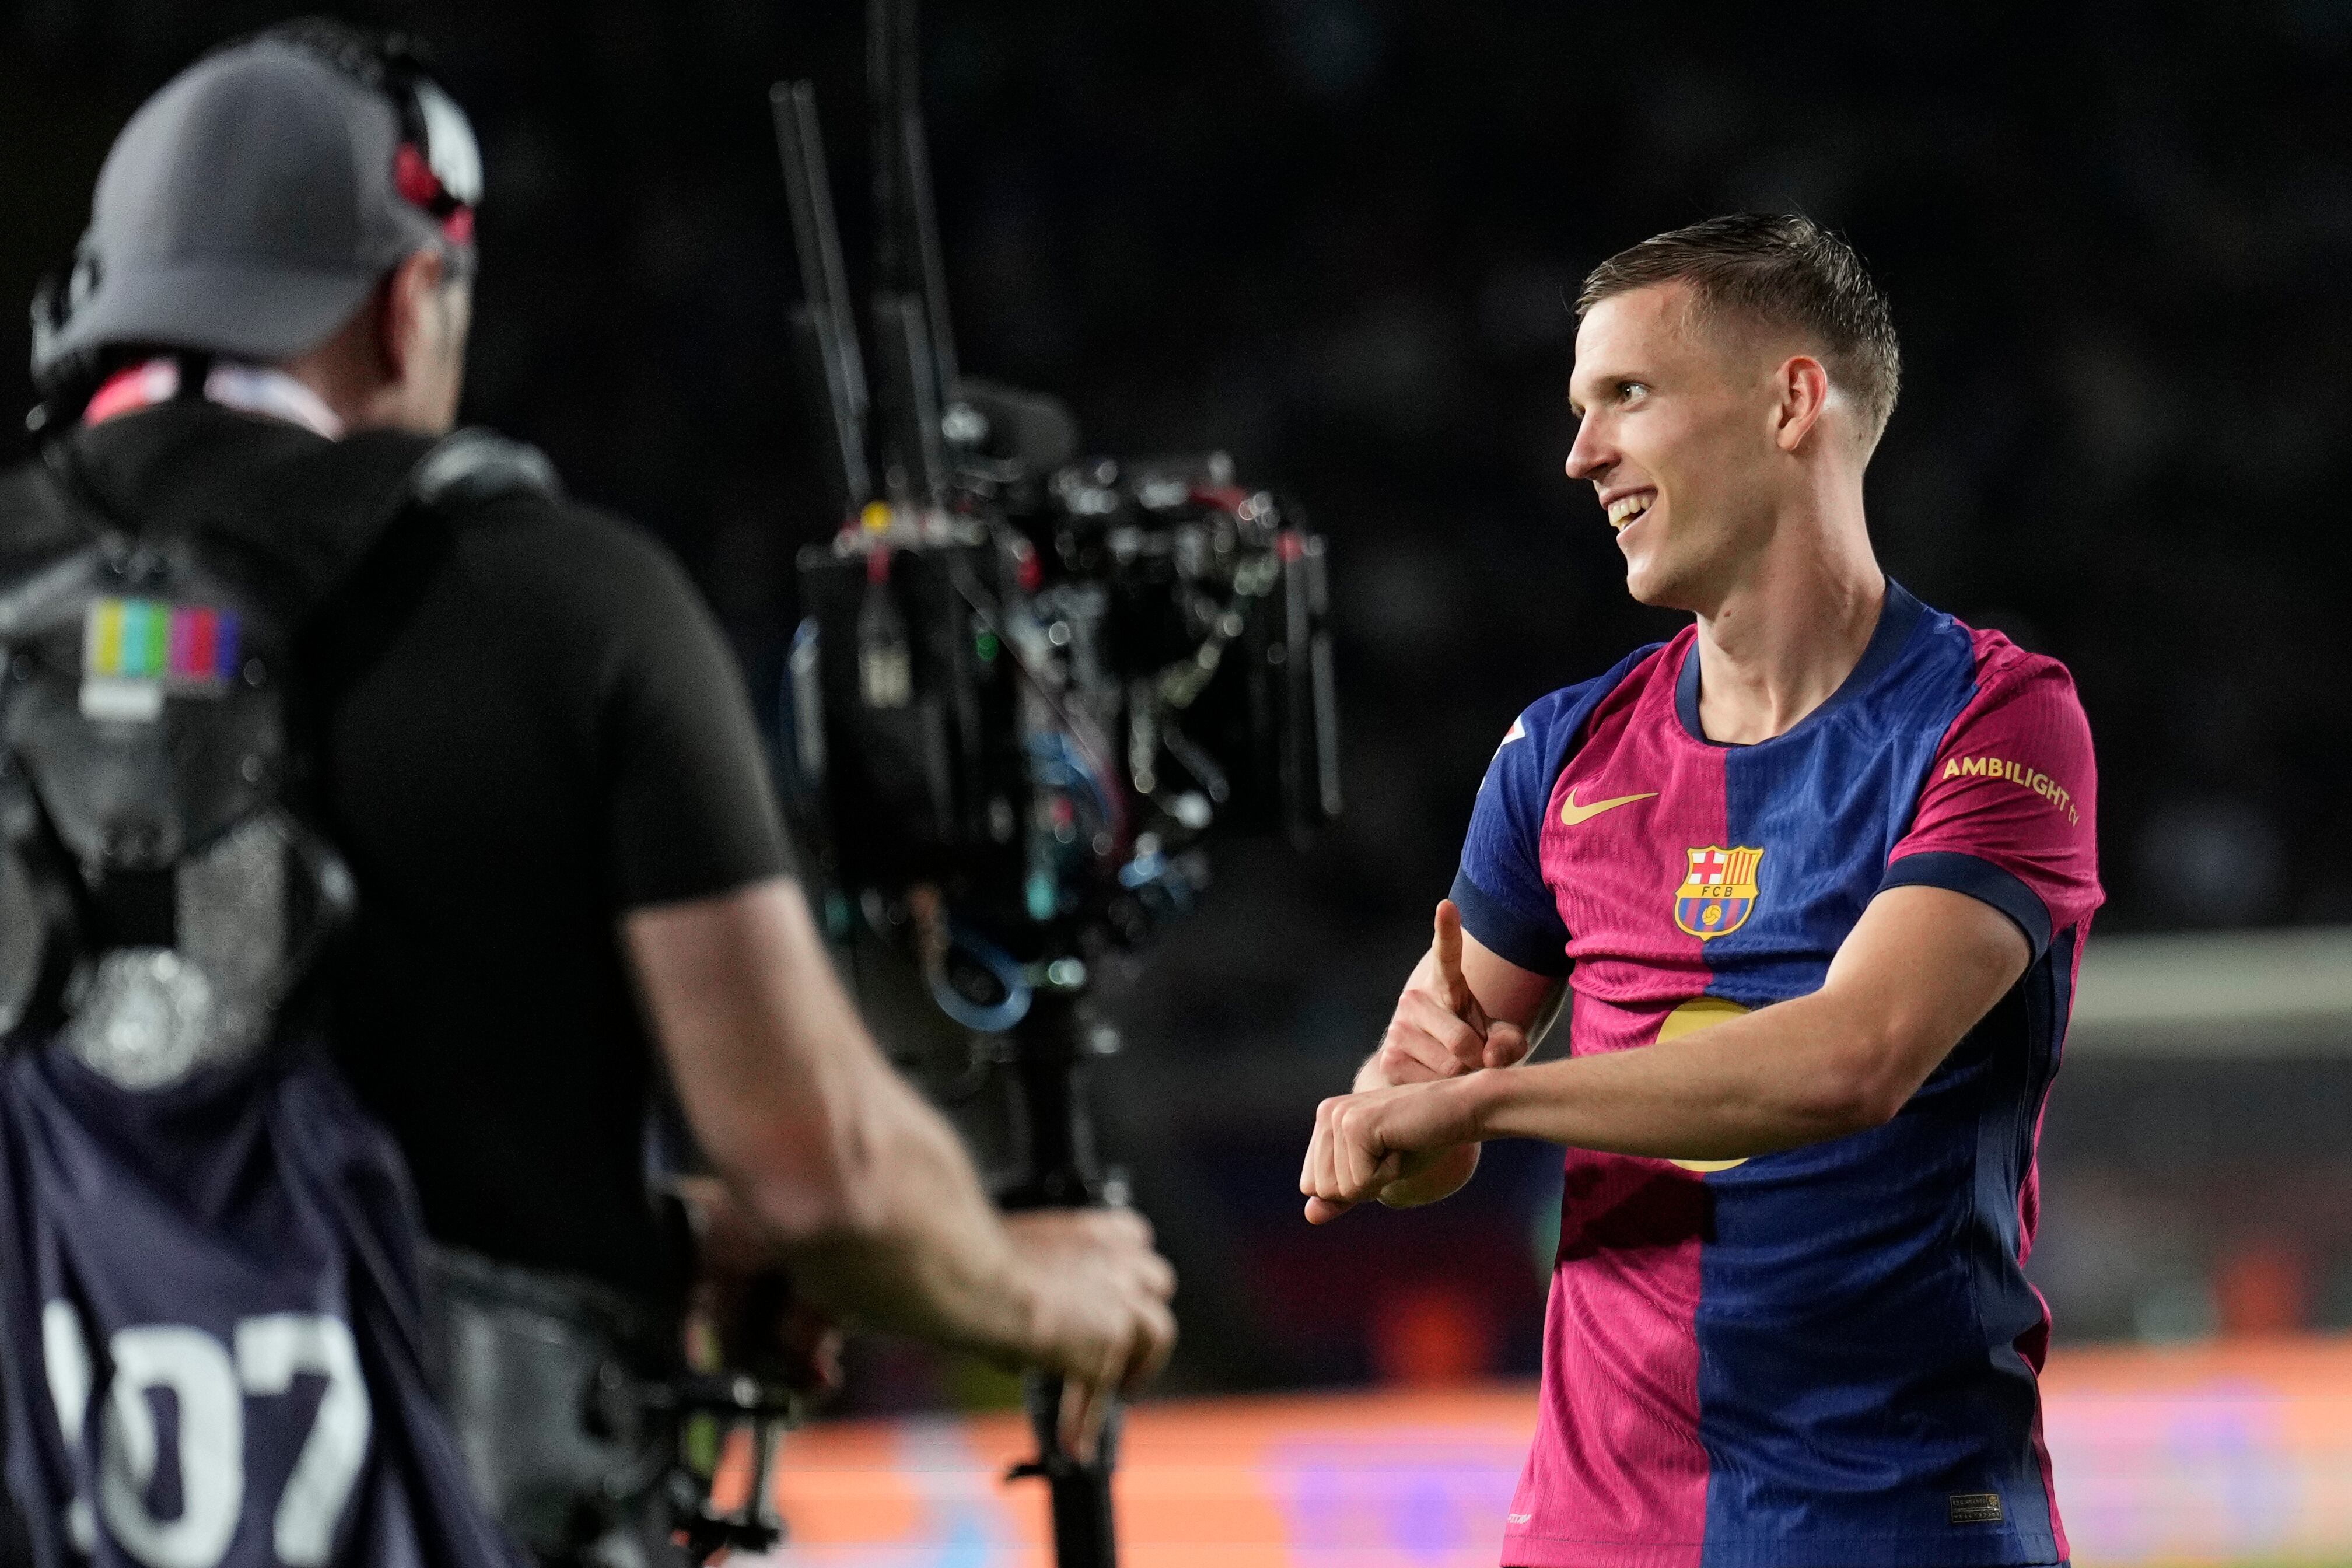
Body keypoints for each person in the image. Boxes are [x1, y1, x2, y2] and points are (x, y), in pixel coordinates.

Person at [6, 20, 1173, 1562]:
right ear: (411, 294)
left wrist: (658, 1243)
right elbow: (817, 1161)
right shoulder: (559, 602)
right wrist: (1044, 1289)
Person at [1301, 215, 2099, 1567]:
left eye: (1627, 395)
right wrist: (1412, 1124)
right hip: (1597, 1531)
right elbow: (1427, 1081)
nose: (1581, 453)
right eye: (1577, 406)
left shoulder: (1999, 717)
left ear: (1794, 400)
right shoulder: (1562, 753)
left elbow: (1855, 1058)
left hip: (1900, 1519)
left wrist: (1486, 1098)